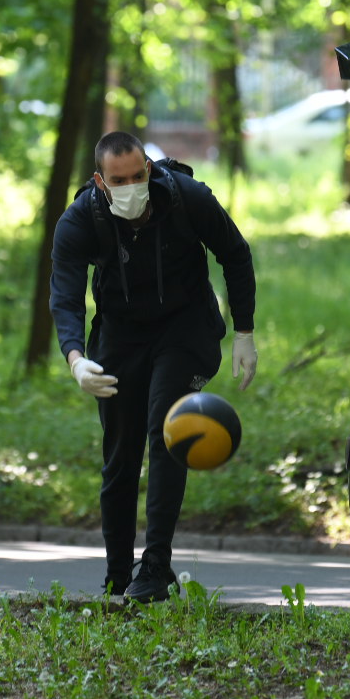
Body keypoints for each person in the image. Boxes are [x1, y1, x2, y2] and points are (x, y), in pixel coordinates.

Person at [49, 131, 257, 602]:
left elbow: (235, 254)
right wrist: (76, 358)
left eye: (137, 175)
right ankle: (117, 574)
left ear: (149, 167)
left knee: (169, 430)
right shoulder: (80, 219)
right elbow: (64, 296)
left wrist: (244, 333)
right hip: (120, 335)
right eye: (118, 180)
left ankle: (155, 567)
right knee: (119, 458)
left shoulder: (188, 198)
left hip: (185, 331)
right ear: (101, 181)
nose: (130, 186)